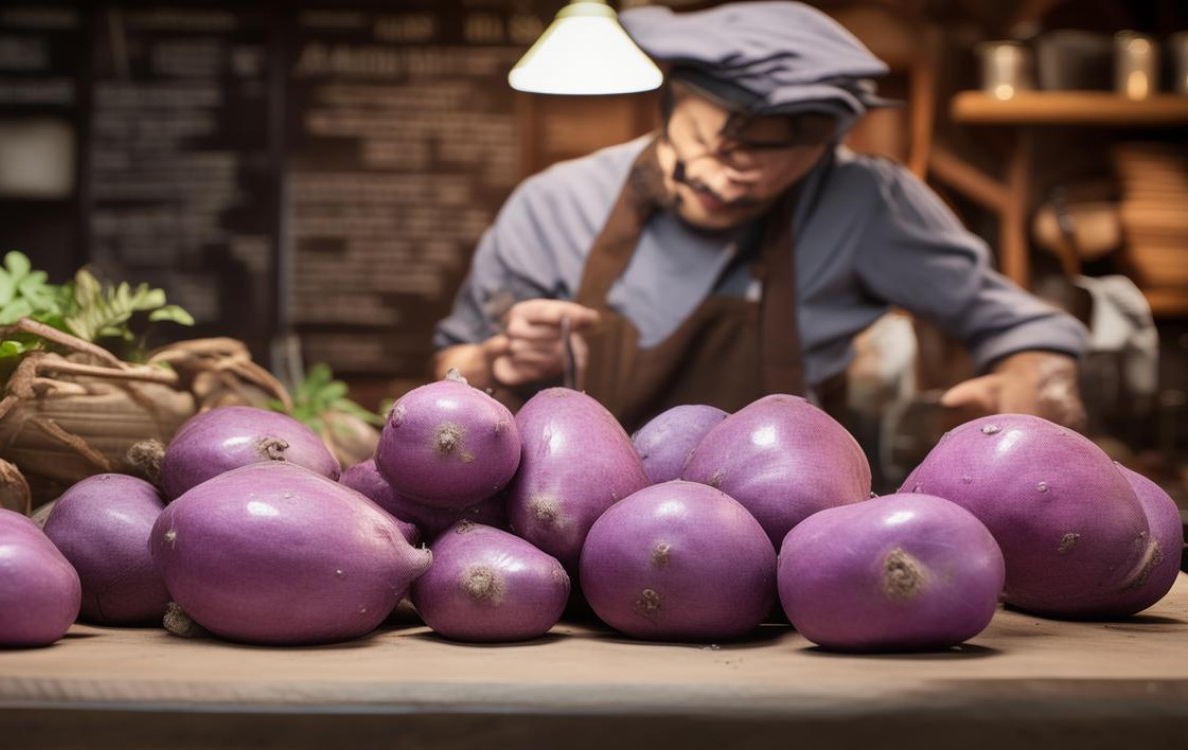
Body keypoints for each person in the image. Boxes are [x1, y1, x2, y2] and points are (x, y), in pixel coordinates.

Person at [432, 1, 1087, 433]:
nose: (735, 178)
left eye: (783, 157)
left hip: (784, 536)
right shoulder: (555, 203)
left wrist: (1033, 390)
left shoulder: (866, 202)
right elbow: (452, 366)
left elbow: (1026, 333)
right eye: (716, 146)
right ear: (671, 102)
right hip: (572, 525)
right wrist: (500, 362)